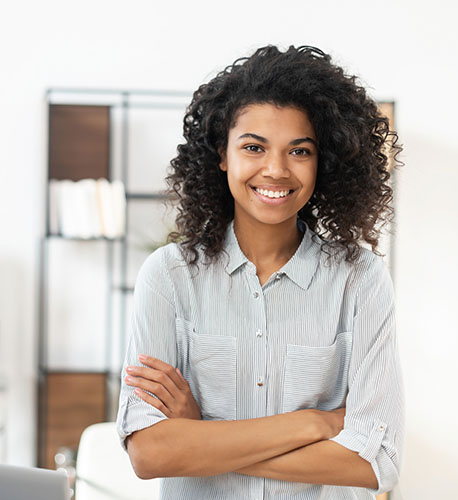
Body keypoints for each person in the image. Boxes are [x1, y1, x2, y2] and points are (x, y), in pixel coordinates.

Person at [116, 44, 404, 500]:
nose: (276, 169)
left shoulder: (360, 280)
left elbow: (377, 461)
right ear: (222, 155)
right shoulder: (170, 276)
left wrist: (199, 436)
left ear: (321, 162)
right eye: (254, 147)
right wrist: (316, 423)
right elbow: (150, 454)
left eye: (300, 150)